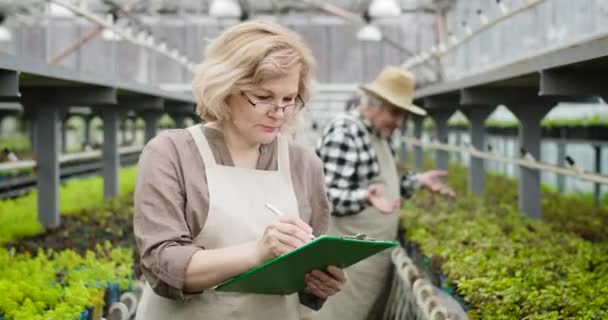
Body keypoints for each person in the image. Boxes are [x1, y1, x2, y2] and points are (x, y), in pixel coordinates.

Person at [133, 21, 346, 320]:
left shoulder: (303, 163)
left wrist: (319, 283)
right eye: (263, 97)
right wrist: (258, 252)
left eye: (289, 99)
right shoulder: (171, 154)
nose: (279, 112)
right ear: (225, 88)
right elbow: (163, 264)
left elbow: (311, 261)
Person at [313, 66, 455, 320]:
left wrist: (417, 181)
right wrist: (364, 197)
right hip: (348, 263)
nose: (399, 122)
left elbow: (384, 190)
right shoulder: (346, 133)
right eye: (395, 113)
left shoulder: (378, 134)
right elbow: (323, 197)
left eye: (403, 116)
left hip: (369, 261)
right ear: (373, 104)